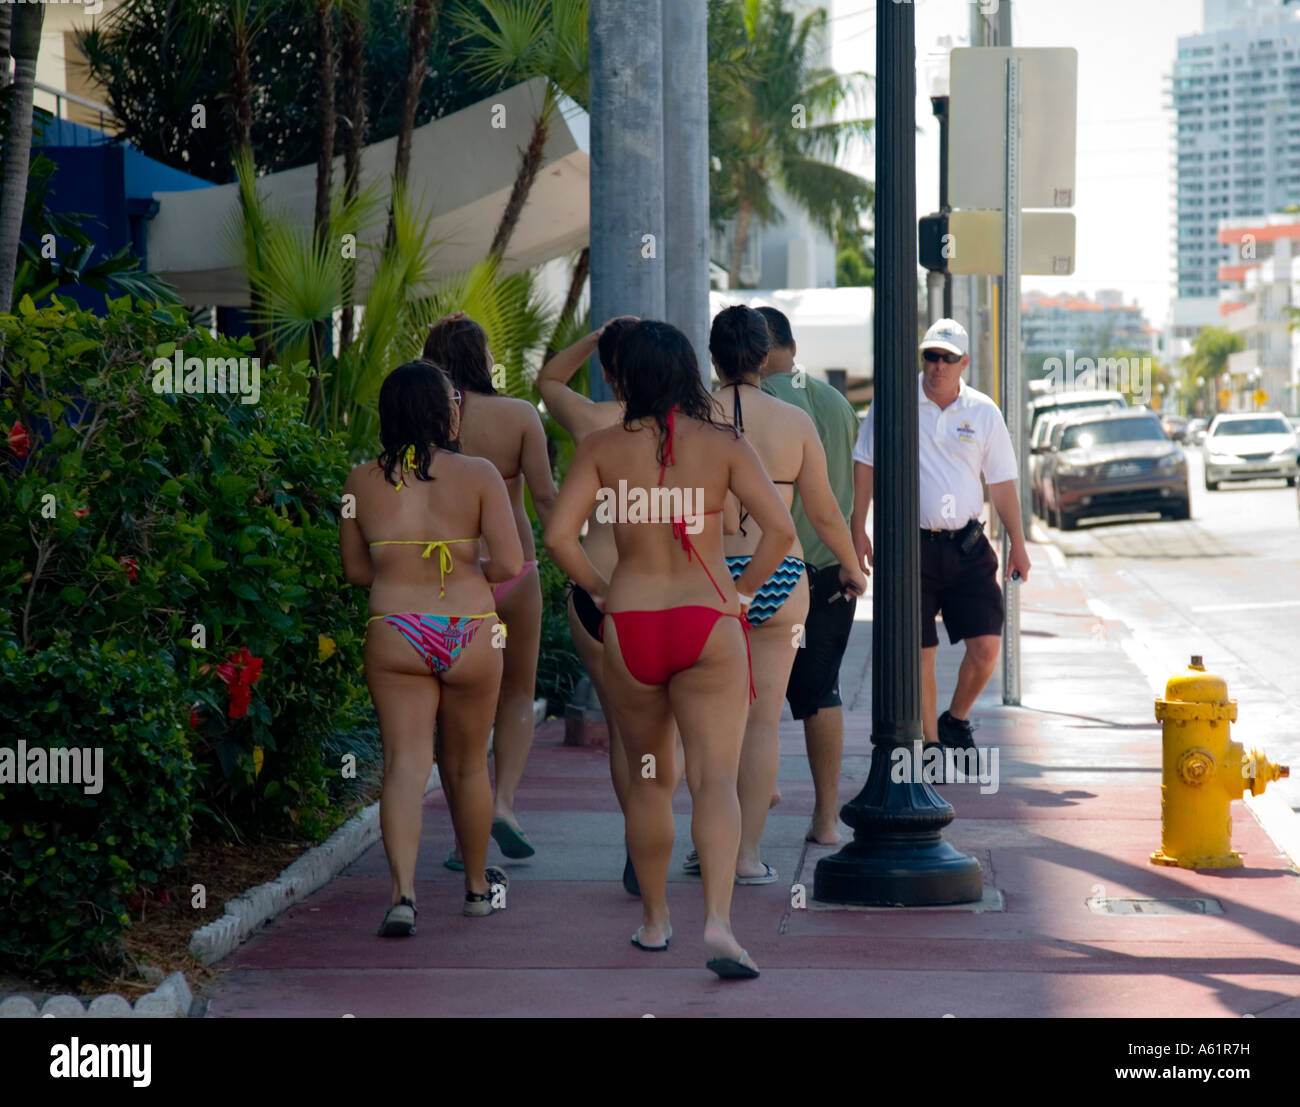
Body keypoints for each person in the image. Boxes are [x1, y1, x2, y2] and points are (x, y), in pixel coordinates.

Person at [544, 320, 795, 980]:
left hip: (632, 622)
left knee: (651, 779)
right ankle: (718, 921)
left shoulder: (600, 447)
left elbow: (558, 537)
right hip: (708, 619)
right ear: (686, 370)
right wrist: (741, 591)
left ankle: (655, 920)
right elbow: (780, 529)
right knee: (715, 779)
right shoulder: (724, 444)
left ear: (624, 379)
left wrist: (601, 585)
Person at [340, 361, 522, 934]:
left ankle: (402, 898)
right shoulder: (481, 474)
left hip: (395, 629)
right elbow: (513, 565)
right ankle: (474, 889)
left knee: (404, 765)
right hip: (470, 629)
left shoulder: (358, 482)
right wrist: (467, 565)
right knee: (468, 767)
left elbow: (354, 571)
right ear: (446, 411)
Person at [707, 306, 866, 883]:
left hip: (711, 579)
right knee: (762, 722)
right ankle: (746, 857)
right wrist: (851, 567)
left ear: (713, 356)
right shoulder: (796, 419)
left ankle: (709, 845)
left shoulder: (691, 416)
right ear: (764, 355)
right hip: (782, 578)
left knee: (708, 721)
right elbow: (825, 512)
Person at [537, 316, 685, 897]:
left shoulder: (595, 423)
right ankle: (664, 834)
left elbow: (548, 379)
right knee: (668, 731)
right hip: (672, 599)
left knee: (626, 731)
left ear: (609, 372)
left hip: (600, 595)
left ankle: (637, 842)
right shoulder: (691, 431)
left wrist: (597, 339)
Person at [851, 318, 1031, 755]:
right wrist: (857, 527)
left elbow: (1003, 481)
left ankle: (955, 720)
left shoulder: (983, 411)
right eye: (930, 356)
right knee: (921, 652)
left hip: (968, 547)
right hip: (910, 548)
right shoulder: (895, 400)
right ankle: (930, 746)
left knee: (987, 647)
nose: (936, 366)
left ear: (963, 362)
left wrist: (1018, 544)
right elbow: (865, 462)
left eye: (947, 358)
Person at [423, 313, 558, 866]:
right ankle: (502, 804)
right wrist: (577, 558)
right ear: (484, 358)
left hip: (447, 574)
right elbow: (547, 498)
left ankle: (463, 836)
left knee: (450, 707)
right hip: (515, 569)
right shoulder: (520, 416)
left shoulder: (423, 415)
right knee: (517, 692)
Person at [756, 305, 863, 843]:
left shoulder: (761, 402)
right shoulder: (836, 402)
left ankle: (756, 794)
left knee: (755, 693)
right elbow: (844, 490)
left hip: (775, 570)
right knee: (822, 693)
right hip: (832, 569)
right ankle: (825, 820)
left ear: (762, 346)